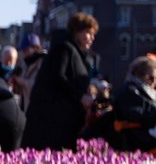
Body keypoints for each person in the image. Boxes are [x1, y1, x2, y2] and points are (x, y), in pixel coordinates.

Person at [21, 12, 99, 151]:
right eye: (88, 33)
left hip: (63, 122)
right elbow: (57, 77)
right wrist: (80, 97)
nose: (92, 38)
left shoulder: (76, 54)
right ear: (77, 31)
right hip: (52, 123)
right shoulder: (63, 49)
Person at [11, 33, 45, 112]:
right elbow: (21, 92)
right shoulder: (27, 65)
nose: (24, 53)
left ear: (36, 48)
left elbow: (39, 87)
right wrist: (16, 84)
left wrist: (22, 82)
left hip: (38, 112)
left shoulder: (43, 63)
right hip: (26, 110)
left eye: (26, 50)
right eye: (23, 50)